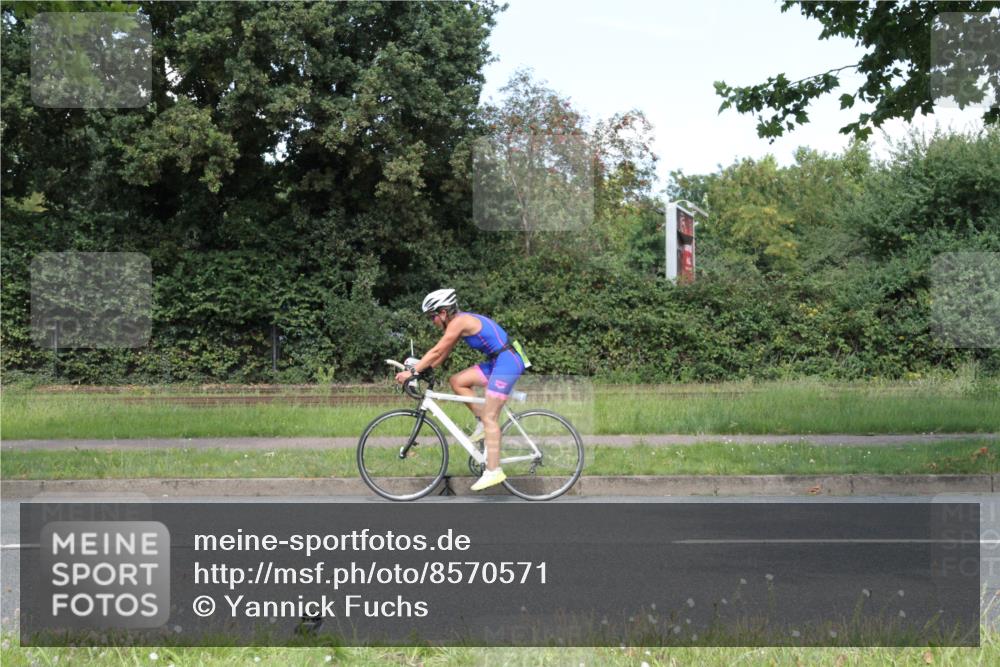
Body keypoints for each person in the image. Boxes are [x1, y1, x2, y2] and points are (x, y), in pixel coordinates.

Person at [394, 288, 526, 491]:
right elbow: (441, 355)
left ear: (443, 312)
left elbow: (437, 350)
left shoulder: (459, 322)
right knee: (457, 381)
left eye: (432, 317)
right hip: (498, 361)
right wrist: (420, 370)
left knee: (491, 416)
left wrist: (412, 372)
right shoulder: (456, 324)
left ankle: (494, 470)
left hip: (507, 362)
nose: (432, 322)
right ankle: (482, 423)